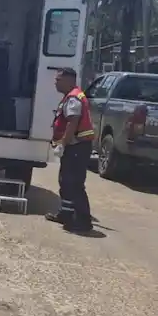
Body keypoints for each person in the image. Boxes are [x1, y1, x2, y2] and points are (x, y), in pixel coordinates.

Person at [46, 67, 95, 234]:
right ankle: (65, 214)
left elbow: (72, 123)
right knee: (65, 182)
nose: (55, 83)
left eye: (58, 80)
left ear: (69, 80)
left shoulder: (74, 98)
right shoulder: (71, 96)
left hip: (77, 147)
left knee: (74, 184)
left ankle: (83, 221)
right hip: (74, 147)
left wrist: (63, 144)